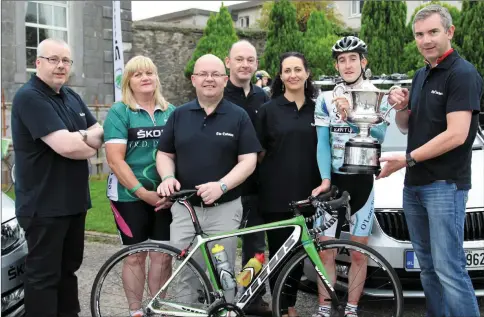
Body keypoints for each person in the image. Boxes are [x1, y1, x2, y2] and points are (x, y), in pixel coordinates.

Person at [377, 4, 482, 317]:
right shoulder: (421, 74)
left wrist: (406, 159)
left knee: (450, 270)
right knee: (428, 270)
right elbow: (409, 126)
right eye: (419, 34)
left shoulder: (463, 74)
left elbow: (457, 134)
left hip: (445, 186)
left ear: (449, 32)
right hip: (415, 186)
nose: (426, 40)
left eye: (433, 32)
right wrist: (402, 108)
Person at [156, 54, 261, 304]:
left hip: (224, 209)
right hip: (185, 209)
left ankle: (224, 310)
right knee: (185, 273)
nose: (209, 79)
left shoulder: (238, 116)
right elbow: (164, 153)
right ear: (193, 80)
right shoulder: (179, 115)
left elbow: (249, 160)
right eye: (203, 74)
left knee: (223, 275)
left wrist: (221, 186)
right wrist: (167, 176)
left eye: (215, 74)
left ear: (225, 80)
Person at [10, 38, 103, 317]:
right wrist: (85, 139)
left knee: (68, 272)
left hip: (73, 203)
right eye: (54, 59)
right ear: (38, 62)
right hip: (44, 206)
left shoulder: (70, 96)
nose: (61, 66)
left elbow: (98, 131)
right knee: (43, 277)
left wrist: (83, 138)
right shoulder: (30, 97)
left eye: (66, 61)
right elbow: (67, 147)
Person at [312, 36, 389, 317]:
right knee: (325, 251)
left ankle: (352, 309)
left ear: (363, 62)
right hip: (335, 179)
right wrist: (324, 179)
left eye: (353, 58)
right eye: (342, 60)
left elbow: (379, 136)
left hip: (363, 182)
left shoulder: (374, 94)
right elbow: (321, 142)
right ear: (337, 64)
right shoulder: (325, 98)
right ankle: (323, 308)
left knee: (358, 253)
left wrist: (353, 114)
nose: (347, 64)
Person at [103, 55, 175, 317]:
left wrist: (168, 190)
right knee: (136, 255)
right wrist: (143, 193)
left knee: (163, 256)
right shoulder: (120, 111)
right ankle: (135, 311)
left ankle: (156, 308)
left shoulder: (172, 111)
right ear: (128, 81)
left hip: (166, 195)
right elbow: (115, 160)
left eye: (150, 73)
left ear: (157, 78)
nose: (145, 78)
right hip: (128, 195)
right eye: (137, 74)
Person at [255, 51, 321, 317]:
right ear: (280, 76)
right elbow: (257, 154)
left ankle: (290, 303)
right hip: (276, 195)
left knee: (301, 255)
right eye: (287, 70)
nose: (293, 75)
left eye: (298, 69)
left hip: (311, 195)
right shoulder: (268, 110)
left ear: (307, 73)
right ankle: (284, 308)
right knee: (279, 255)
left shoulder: (319, 108)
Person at [223, 40, 271, 316]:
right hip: (225, 187)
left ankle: (251, 296)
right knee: (223, 247)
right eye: (239, 59)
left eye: (250, 60)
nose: (244, 65)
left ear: (256, 63)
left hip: (255, 187)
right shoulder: (219, 94)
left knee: (255, 248)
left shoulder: (262, 97)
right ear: (228, 62)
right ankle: (225, 297)